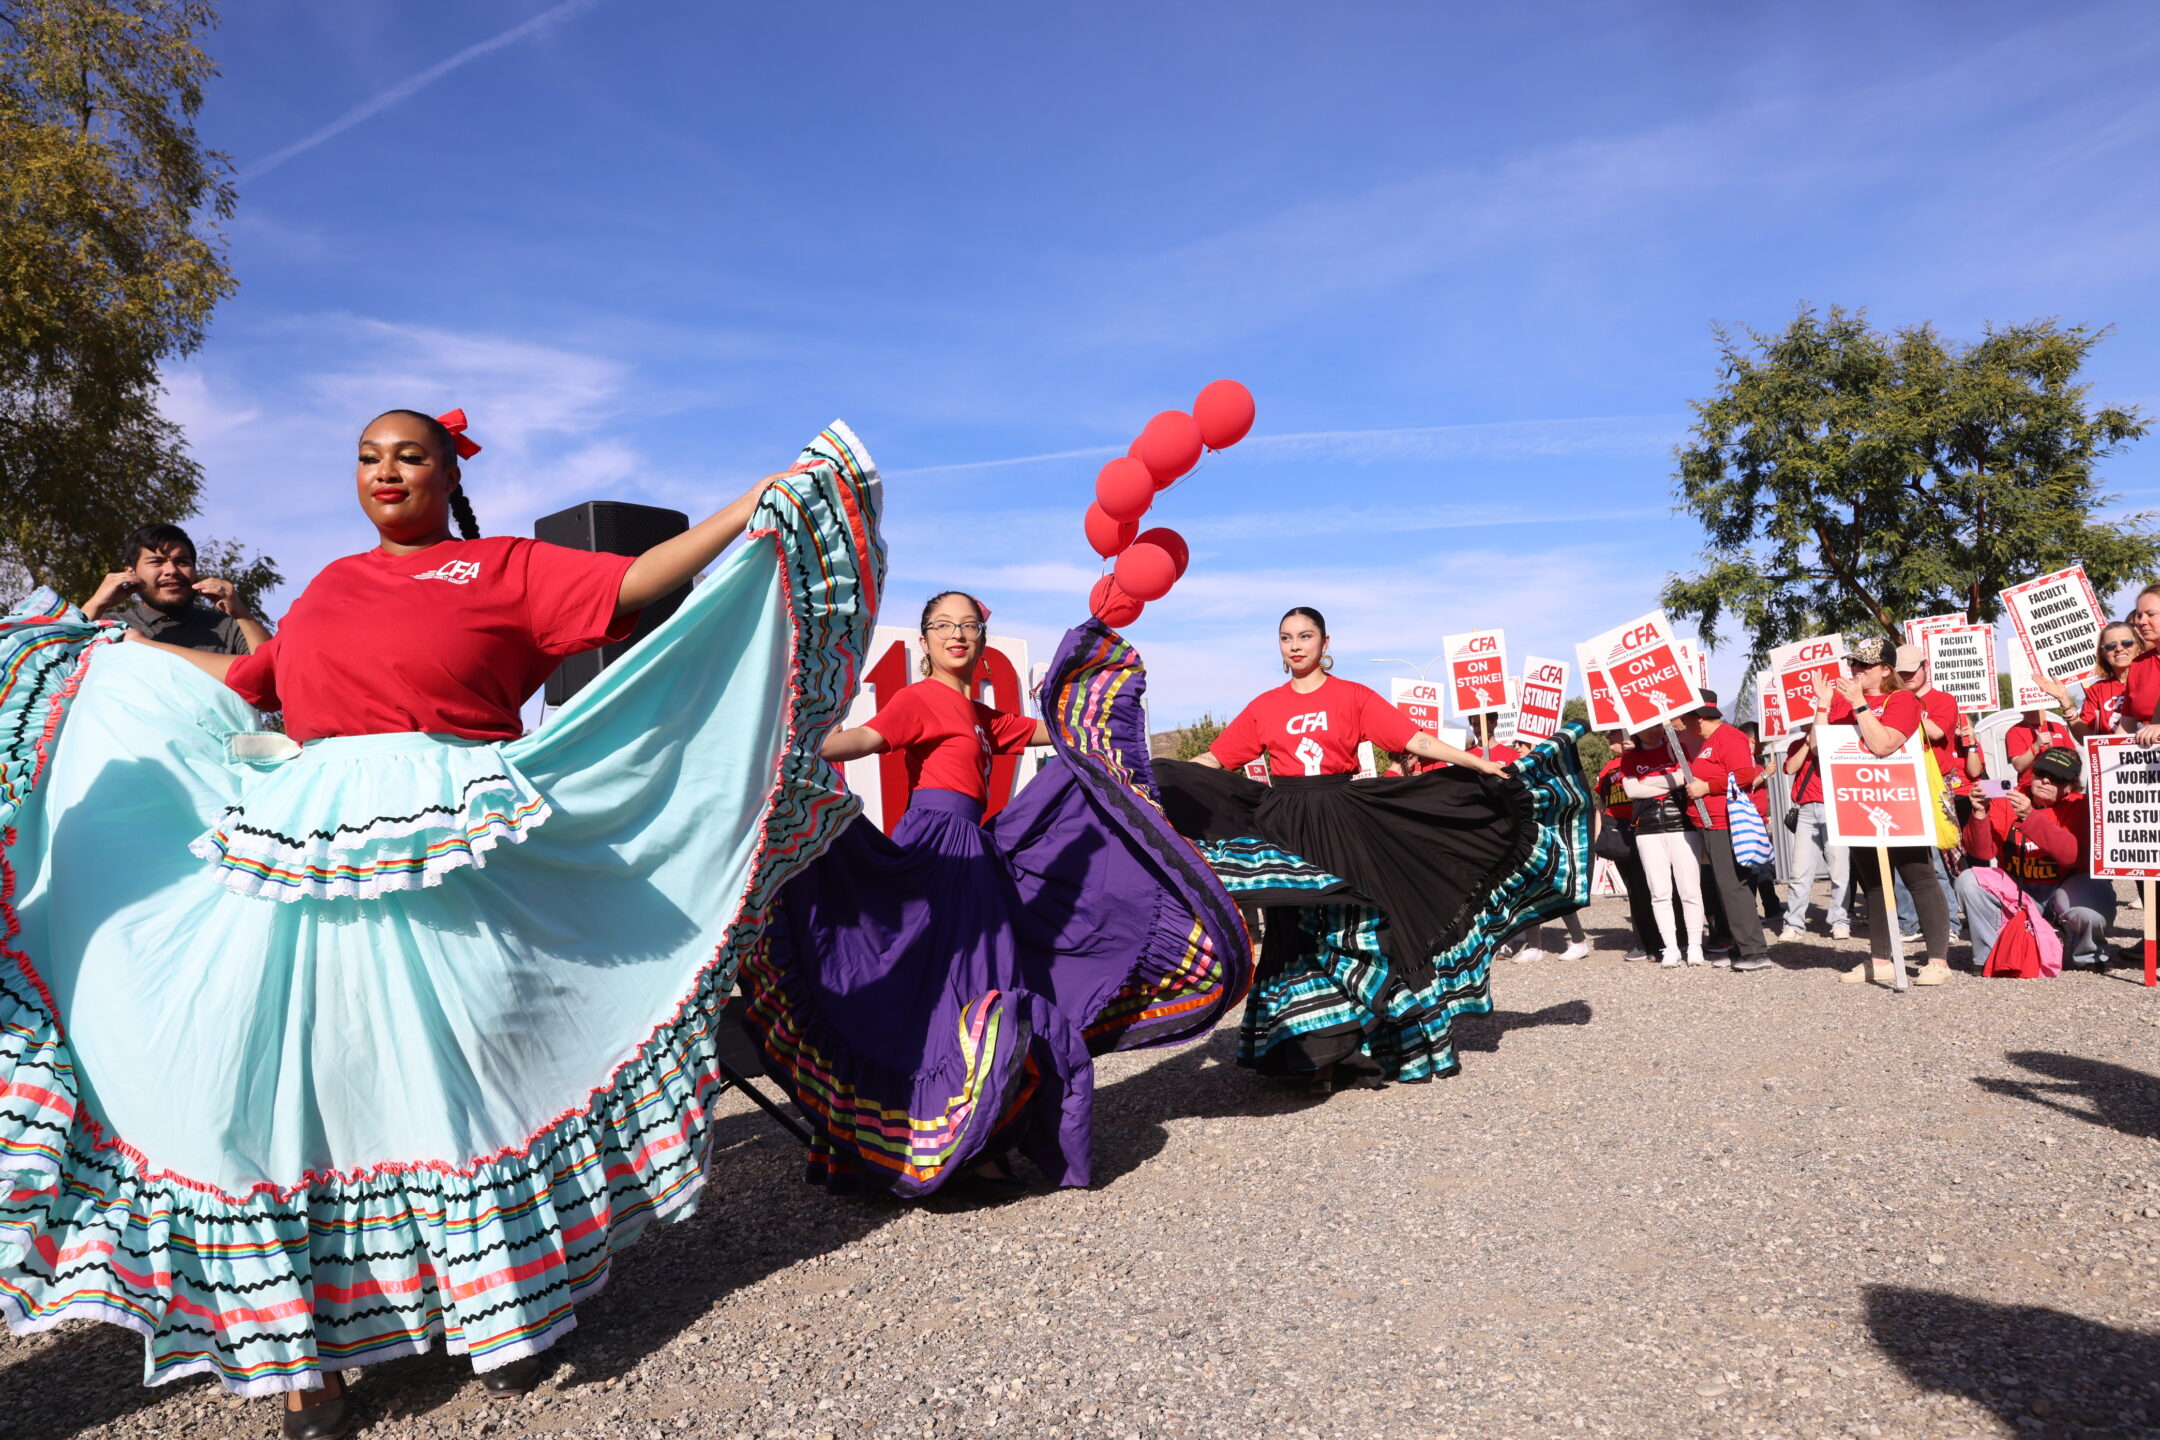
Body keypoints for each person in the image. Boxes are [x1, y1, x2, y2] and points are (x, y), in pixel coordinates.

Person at [0, 410, 885, 1433]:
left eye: (408, 455)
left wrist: (753, 502)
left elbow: (635, 585)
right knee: (290, 1081)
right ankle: (305, 1358)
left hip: (450, 838)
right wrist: (109, 657)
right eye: (368, 457)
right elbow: (255, 686)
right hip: (302, 843)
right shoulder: (330, 584)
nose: (385, 471)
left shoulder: (504, 567)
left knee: (458, 1076)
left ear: (444, 472)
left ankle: (496, 1304)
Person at [745, 592, 1248, 1198]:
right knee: (956, 989)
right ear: (923, 641)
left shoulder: (981, 716)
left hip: (975, 856)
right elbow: (866, 740)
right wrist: (790, 751)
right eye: (944, 625)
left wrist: (1099, 703)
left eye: (970, 626)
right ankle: (956, 1144)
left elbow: (1061, 733)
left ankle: (977, 1139)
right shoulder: (921, 698)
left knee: (984, 986)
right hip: (939, 852)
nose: (958, 634)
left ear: (982, 638)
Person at [1154, 607, 1588, 1090]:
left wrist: (1473, 762)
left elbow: (1413, 737)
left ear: (1325, 642)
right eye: (1285, 638)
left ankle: (1362, 1044)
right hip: (1287, 827)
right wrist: (1151, 784)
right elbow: (1216, 758)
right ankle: (1312, 1053)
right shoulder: (1264, 706)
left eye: (1305, 636)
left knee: (1356, 927)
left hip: (1344, 822)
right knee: (1295, 932)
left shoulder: (1353, 696)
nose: (1295, 645)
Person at [1805, 636, 1954, 986]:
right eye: (1852, 664)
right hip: (1858, 801)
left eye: (1864, 665)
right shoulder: (1844, 702)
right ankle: (1880, 961)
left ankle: (1938, 961)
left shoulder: (1903, 699)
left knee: (1919, 876)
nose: (1854, 670)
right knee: (1873, 883)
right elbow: (1816, 747)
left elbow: (1884, 744)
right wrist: (1824, 706)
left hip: (1900, 801)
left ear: (1886, 670)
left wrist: (1859, 705)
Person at [1953, 746, 2111, 967]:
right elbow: (1982, 852)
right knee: (1969, 880)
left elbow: (2072, 856)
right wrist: (1979, 813)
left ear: (2069, 786)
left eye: (2056, 778)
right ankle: (1993, 956)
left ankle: (2088, 956)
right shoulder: (2008, 798)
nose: (2045, 781)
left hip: (2065, 889)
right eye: (2041, 773)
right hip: (2019, 890)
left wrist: (2030, 817)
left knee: (2095, 892)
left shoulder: (2079, 804)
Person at [1673, 692, 1773, 972]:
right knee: (1725, 886)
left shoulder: (1729, 737)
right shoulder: (1711, 741)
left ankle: (1754, 950)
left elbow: (1744, 774)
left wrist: (1707, 787)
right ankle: (1741, 946)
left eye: (1686, 717)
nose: (1684, 723)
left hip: (1723, 821)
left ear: (1700, 718)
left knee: (1733, 886)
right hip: (1710, 822)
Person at [1892, 645, 1982, 942]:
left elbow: (1935, 732)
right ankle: (1911, 924)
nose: (1905, 677)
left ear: (1924, 667)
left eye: (1910, 671)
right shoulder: (1896, 698)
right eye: (1899, 672)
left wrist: (1906, 705)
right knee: (1905, 859)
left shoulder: (1943, 700)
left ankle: (1949, 927)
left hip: (1937, 783)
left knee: (1940, 858)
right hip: (1902, 783)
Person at [80, 520, 270, 653]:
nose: (171, 570)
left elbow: (272, 675)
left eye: (182, 562)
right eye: (156, 562)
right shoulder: (109, 626)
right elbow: (59, 669)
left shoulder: (229, 628)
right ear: (130, 572)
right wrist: (96, 604)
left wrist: (242, 614)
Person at [1618, 723, 1706, 966]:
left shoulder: (1677, 749)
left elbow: (1685, 777)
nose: (1653, 731)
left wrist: (1647, 782)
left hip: (1682, 825)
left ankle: (1695, 946)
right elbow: (1632, 791)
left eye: (1657, 726)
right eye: (1647, 728)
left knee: (1690, 890)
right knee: (1659, 892)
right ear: (1635, 731)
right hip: (1647, 829)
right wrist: (1668, 781)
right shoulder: (1630, 757)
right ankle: (1670, 947)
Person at [1779, 720, 1851, 939]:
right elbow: (1790, 768)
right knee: (1799, 871)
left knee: (1839, 871)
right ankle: (1793, 923)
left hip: (1835, 807)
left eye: (1804, 720)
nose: (1799, 723)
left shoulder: (1836, 740)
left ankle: (1840, 921)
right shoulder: (1796, 744)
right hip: (1806, 811)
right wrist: (1808, 742)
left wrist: (1820, 738)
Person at [1597, 729, 1663, 961]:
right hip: (1618, 833)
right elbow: (1601, 803)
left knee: (1654, 887)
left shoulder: (1642, 759)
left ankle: (1662, 943)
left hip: (1646, 827)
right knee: (1635, 890)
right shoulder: (1608, 768)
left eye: (1612, 733)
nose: (1608, 738)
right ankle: (1643, 943)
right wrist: (1599, 838)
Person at [2036, 621, 2139, 738]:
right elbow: (2085, 738)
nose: (2119, 649)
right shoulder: (2097, 690)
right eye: (2110, 646)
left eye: (2127, 643)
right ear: (2103, 653)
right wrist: (2064, 701)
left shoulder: (2153, 679)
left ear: (2138, 647)